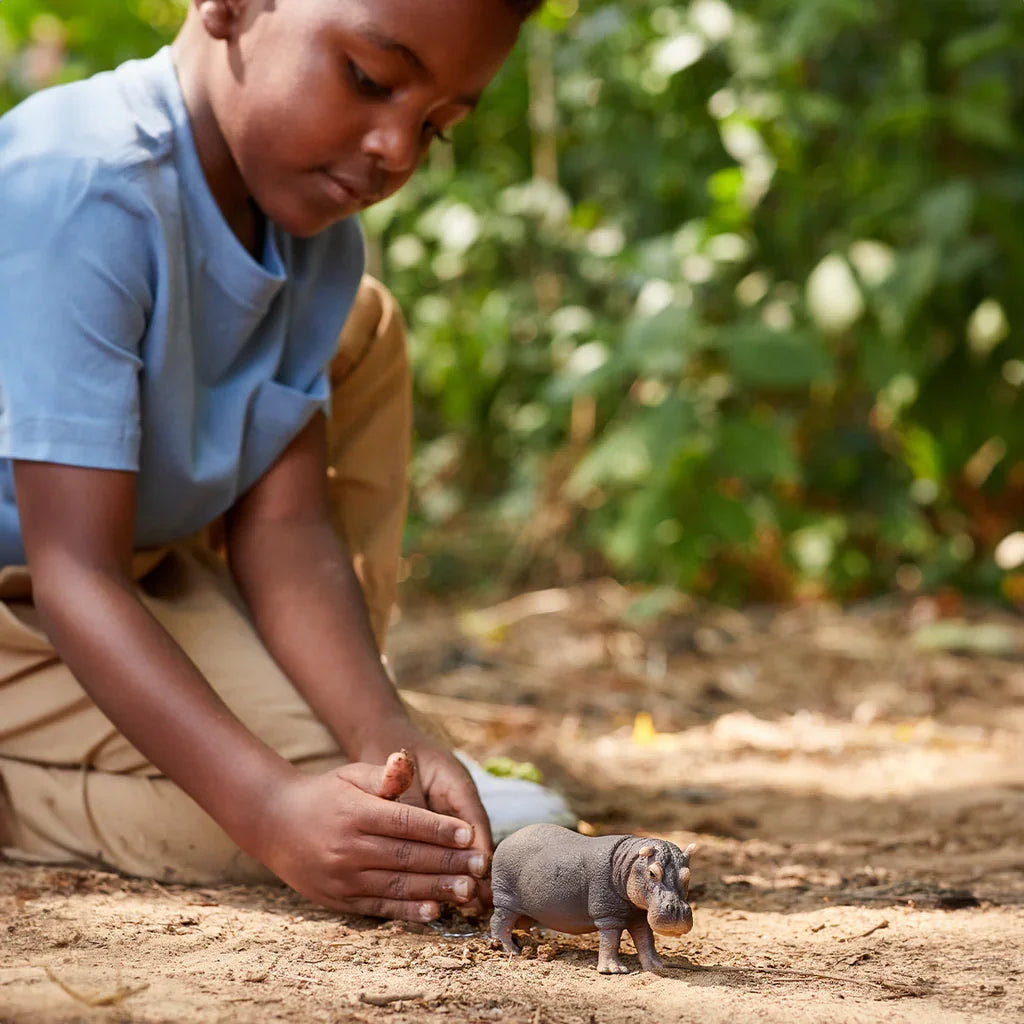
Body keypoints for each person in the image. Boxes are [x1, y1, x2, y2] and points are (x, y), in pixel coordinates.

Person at [0, 0, 548, 924]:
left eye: (436, 127)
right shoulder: (83, 185)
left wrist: (388, 731)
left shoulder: (313, 234)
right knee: (261, 826)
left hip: (131, 577)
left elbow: (287, 526)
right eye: (369, 79)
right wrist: (267, 812)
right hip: (54, 587)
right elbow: (73, 572)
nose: (396, 150)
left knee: (356, 788)